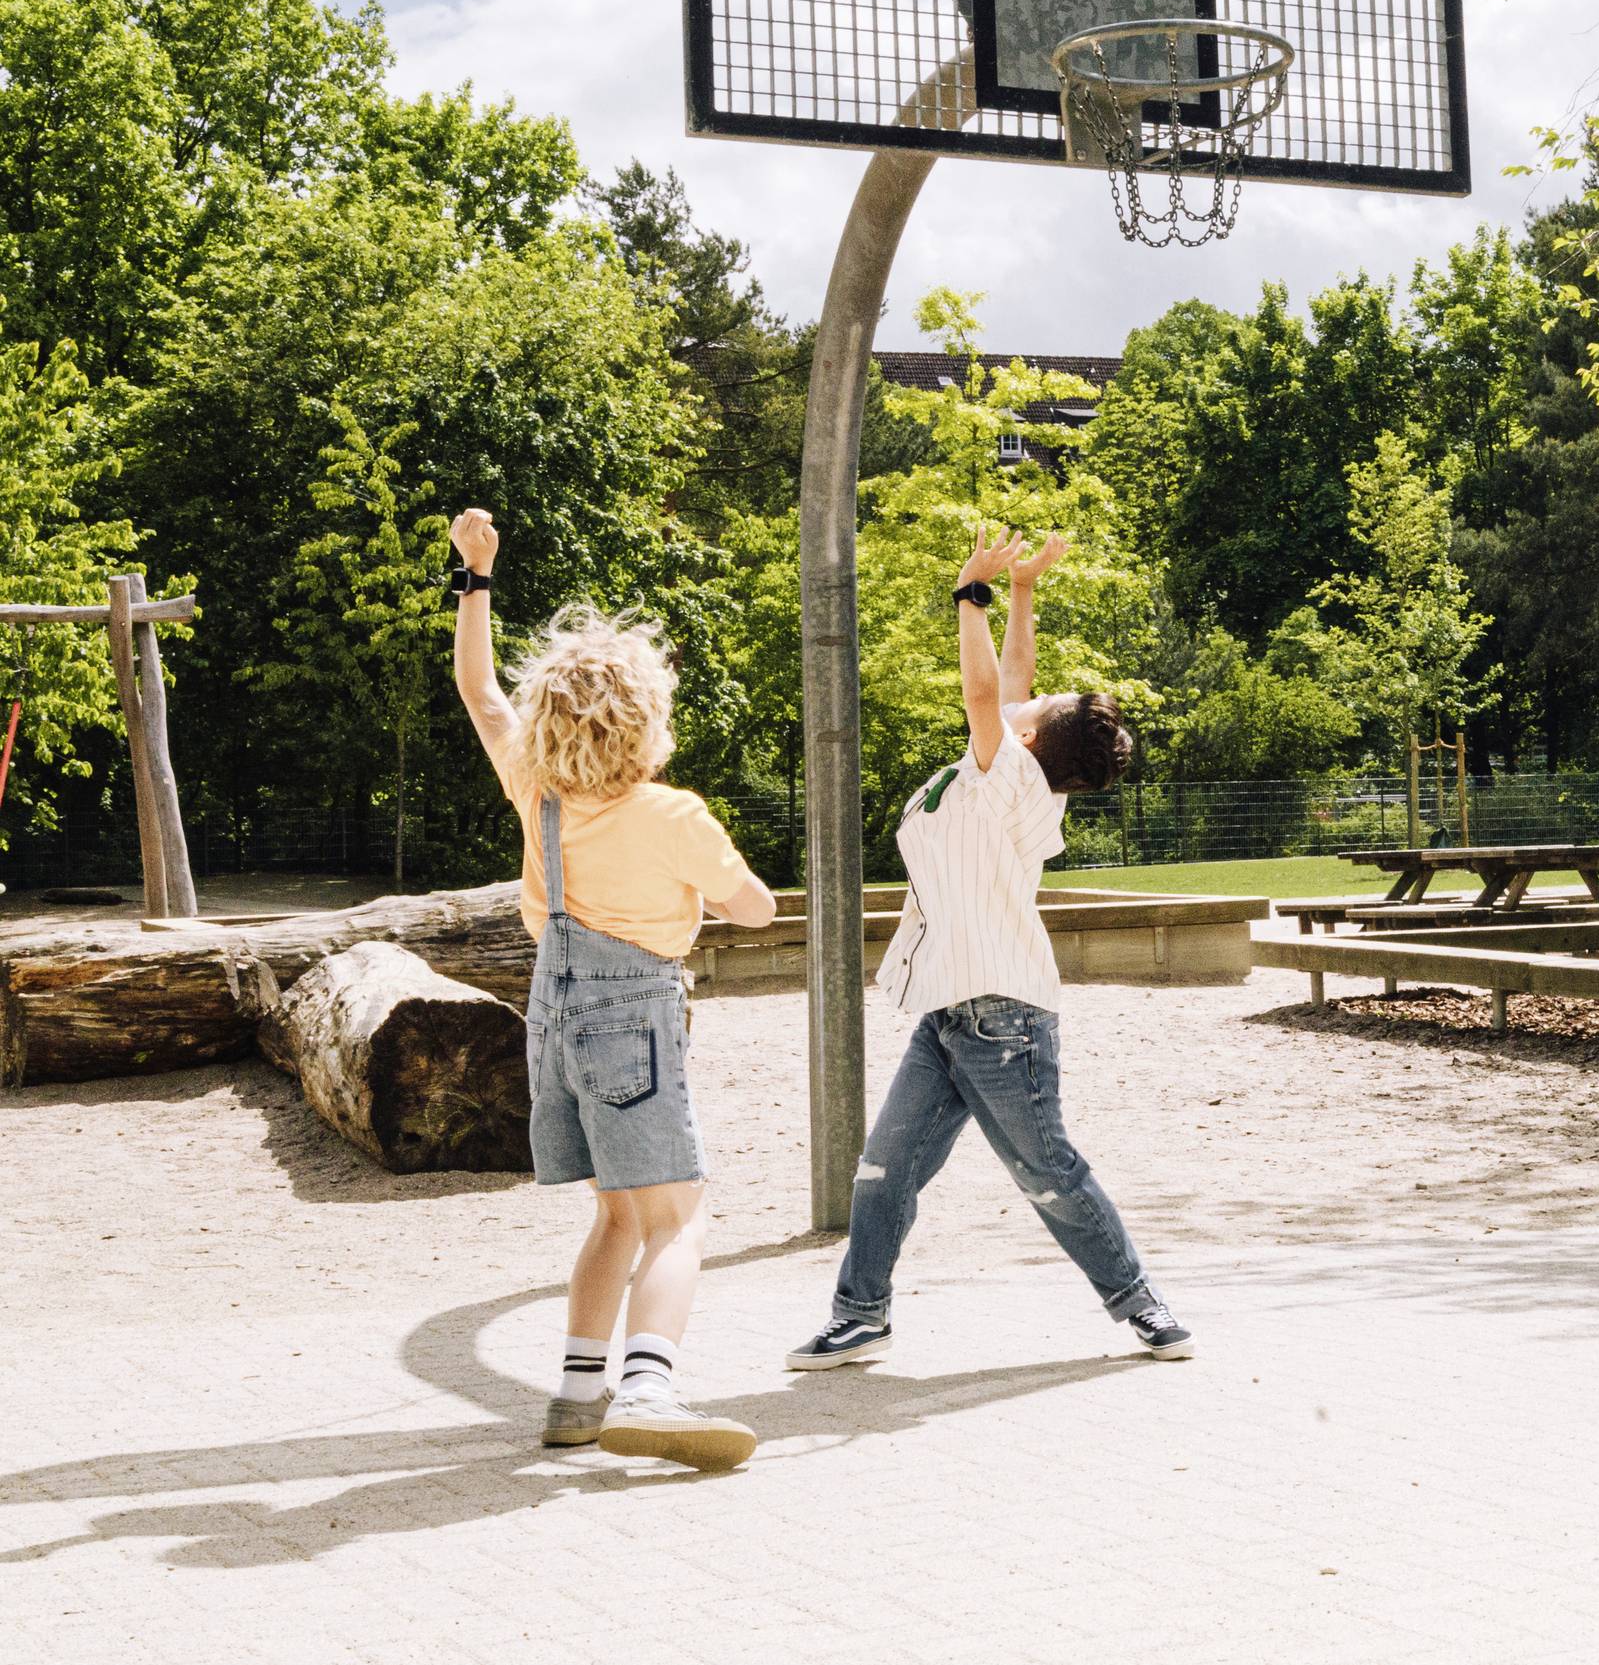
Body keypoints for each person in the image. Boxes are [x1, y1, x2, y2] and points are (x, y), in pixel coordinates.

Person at [785, 527, 1193, 1372]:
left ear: (1036, 740)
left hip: (1004, 1018)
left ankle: (1140, 1302)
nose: (1025, 700)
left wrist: (966, 592)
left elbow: (984, 693)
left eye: (1038, 711)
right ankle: (861, 1314)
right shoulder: (1014, 767)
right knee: (884, 1169)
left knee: (1047, 1171)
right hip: (951, 1009)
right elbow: (1010, 683)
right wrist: (1020, 593)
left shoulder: (1005, 771)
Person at [448, 507, 777, 1471]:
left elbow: (476, 688)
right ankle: (651, 1388)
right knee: (679, 1214)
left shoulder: (533, 787)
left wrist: (477, 575)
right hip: (635, 1019)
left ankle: (577, 1392)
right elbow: (754, 909)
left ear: (547, 716)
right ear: (649, 718)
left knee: (616, 1212)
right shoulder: (675, 813)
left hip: (551, 1019)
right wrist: (723, 887)